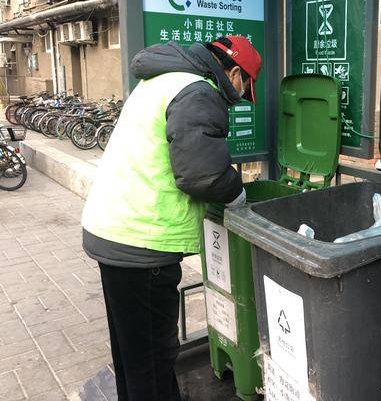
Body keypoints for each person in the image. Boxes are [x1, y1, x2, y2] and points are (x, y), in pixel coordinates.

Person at [81, 36, 262, 400]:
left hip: (113, 229)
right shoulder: (199, 91)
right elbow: (202, 174)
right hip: (143, 240)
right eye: (245, 90)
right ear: (236, 73)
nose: (240, 98)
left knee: (132, 352)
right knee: (153, 357)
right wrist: (236, 193)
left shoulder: (162, 80)